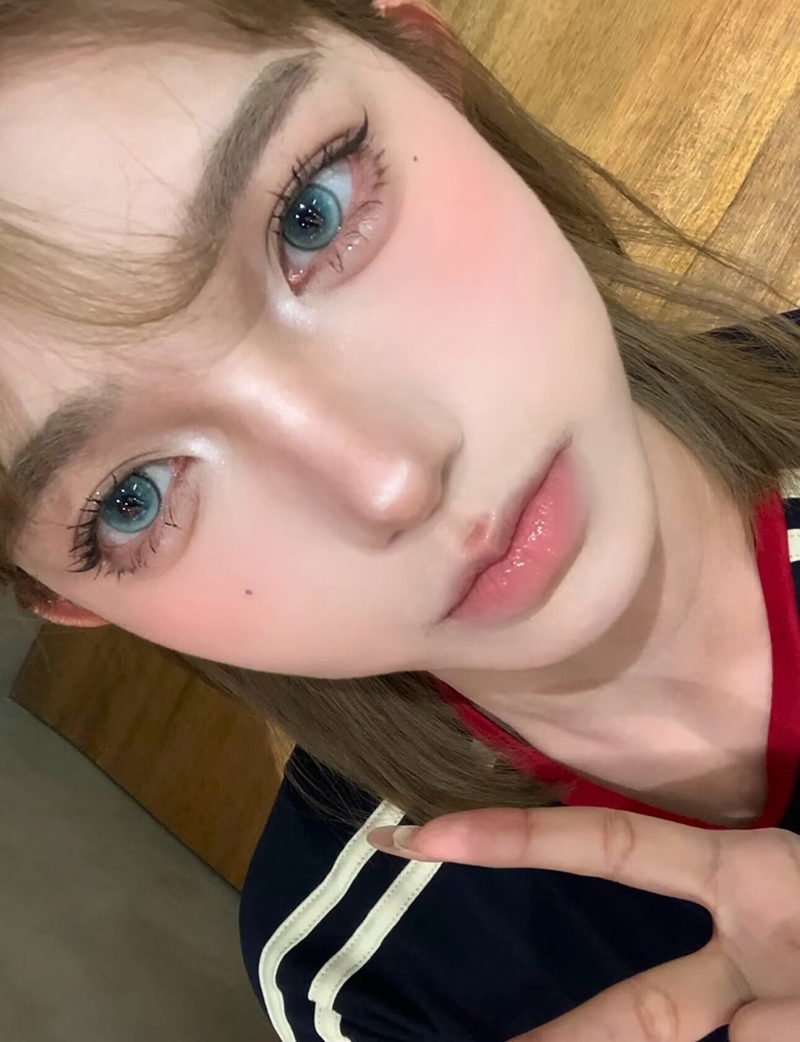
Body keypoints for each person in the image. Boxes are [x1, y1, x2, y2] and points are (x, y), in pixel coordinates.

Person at [0, 1, 798, 1039]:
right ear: (72, 603)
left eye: (311, 214)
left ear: (428, 69)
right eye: (133, 497)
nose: (391, 482)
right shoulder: (365, 982)